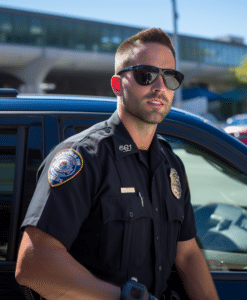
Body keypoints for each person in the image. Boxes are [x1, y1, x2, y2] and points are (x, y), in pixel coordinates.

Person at [15, 28, 219, 300]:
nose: (160, 86)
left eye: (170, 77)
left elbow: (188, 253)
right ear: (116, 85)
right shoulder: (84, 156)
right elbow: (34, 264)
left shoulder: (171, 164)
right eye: (146, 75)